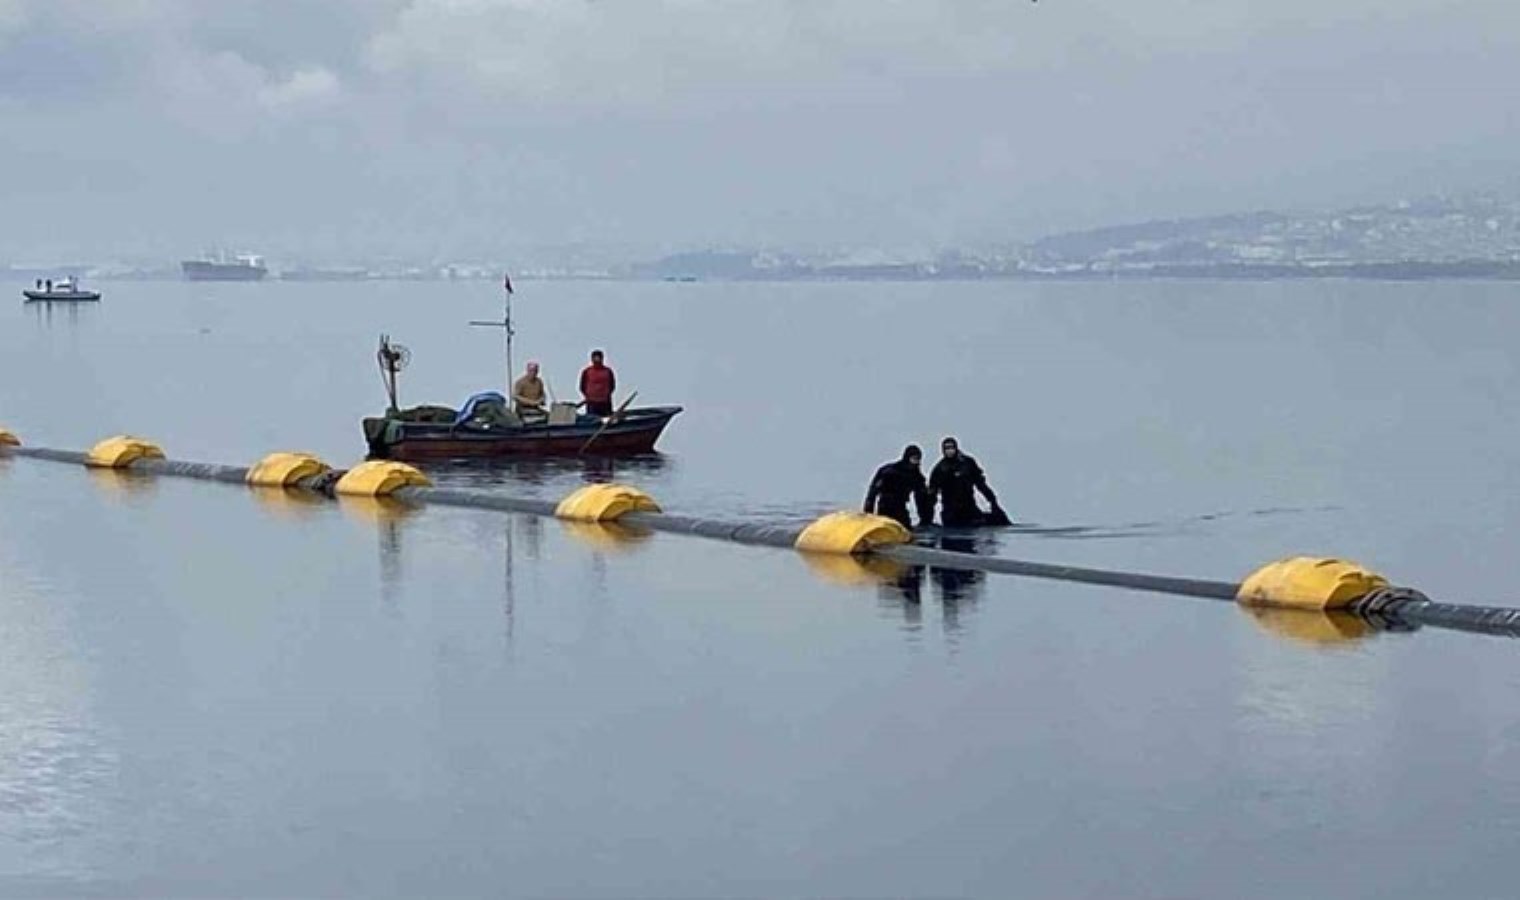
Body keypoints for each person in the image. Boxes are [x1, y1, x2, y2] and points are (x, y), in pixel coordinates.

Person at [928, 436, 1008, 528]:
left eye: (951, 448)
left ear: (956, 448)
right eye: (947, 448)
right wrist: (927, 518)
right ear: (943, 450)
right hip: (951, 511)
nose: (949, 451)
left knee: (997, 520)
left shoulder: (968, 463)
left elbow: (981, 484)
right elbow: (932, 495)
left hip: (969, 507)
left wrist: (993, 501)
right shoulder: (940, 469)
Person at [864, 444, 933, 529]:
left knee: (906, 528)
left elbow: (921, 499)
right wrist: (868, 515)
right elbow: (872, 493)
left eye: (918, 459)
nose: (916, 462)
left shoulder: (916, 476)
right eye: (914, 459)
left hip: (900, 507)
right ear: (907, 458)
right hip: (885, 507)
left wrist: (926, 520)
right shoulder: (889, 472)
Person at [579, 349, 616, 416]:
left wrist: (606, 395)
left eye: (598, 357)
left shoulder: (608, 371)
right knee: (592, 420)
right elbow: (582, 386)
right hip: (592, 402)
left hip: (605, 402)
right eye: (595, 358)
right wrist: (589, 396)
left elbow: (612, 385)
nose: (597, 360)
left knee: (606, 419)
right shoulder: (587, 371)